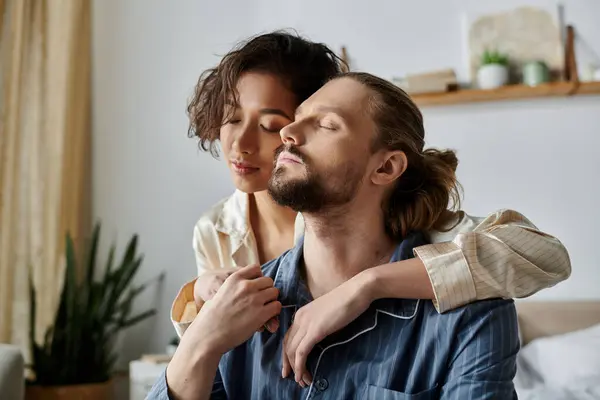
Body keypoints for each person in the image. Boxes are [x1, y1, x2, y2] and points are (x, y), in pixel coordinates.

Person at [169, 31, 570, 382]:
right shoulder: (216, 229)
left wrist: (367, 284)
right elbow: (208, 363)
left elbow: (542, 255)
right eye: (230, 118)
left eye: (272, 124)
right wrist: (200, 303)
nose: (242, 143)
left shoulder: (406, 233)